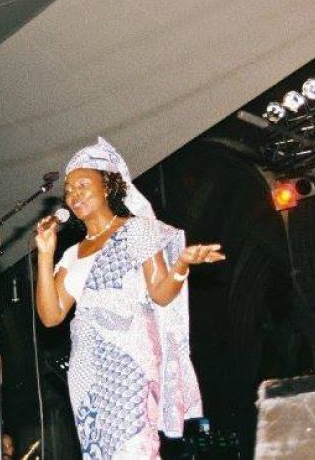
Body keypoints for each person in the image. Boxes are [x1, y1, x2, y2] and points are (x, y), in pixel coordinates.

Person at [35, 137, 225, 459]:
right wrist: (44, 254)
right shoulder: (71, 254)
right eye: (69, 189)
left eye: (83, 184)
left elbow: (161, 294)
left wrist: (181, 264)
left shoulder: (137, 231)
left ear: (107, 186)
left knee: (134, 447)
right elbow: (51, 316)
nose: (74, 194)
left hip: (128, 358)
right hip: (86, 367)